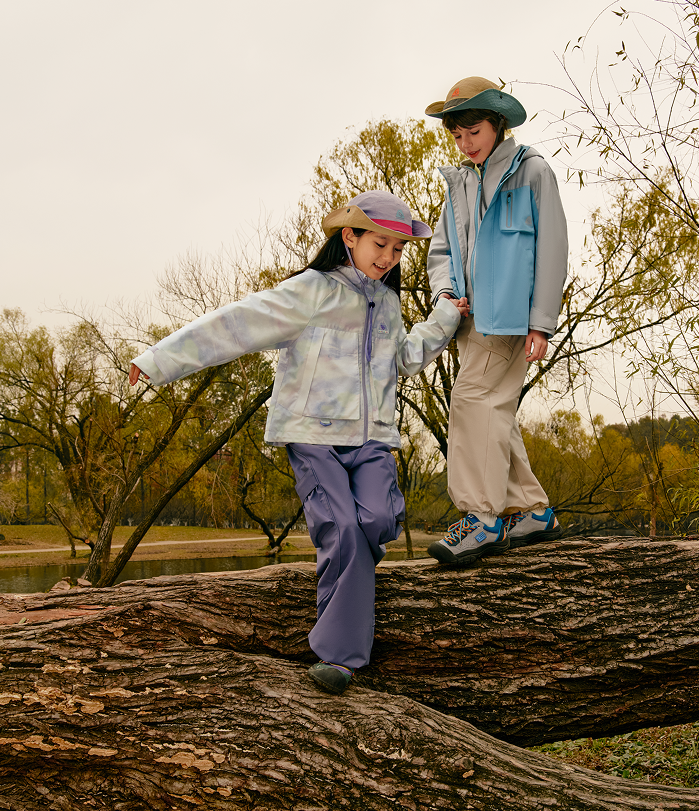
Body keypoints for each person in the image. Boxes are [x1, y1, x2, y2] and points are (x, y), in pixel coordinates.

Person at [129, 192, 465, 694]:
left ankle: (344, 603)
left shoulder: (388, 302)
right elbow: (235, 324)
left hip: (371, 439)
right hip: (313, 436)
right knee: (344, 529)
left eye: (398, 250)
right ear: (348, 237)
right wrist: (159, 360)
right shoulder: (310, 292)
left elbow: (404, 357)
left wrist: (445, 318)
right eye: (380, 245)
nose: (389, 258)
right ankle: (341, 657)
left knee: (376, 519)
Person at [423, 76, 569, 566]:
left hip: (510, 319)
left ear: (498, 124)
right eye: (458, 135)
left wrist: (541, 322)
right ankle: (532, 511)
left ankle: (482, 518)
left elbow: (552, 249)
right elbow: (442, 249)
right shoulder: (459, 181)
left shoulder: (532, 172)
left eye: (474, 131)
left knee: (471, 401)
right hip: (469, 321)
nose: (465, 143)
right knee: (494, 412)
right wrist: (446, 292)